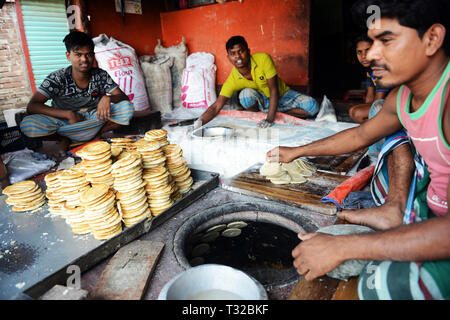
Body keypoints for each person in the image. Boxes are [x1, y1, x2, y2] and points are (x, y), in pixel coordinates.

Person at [267, 0, 450, 300]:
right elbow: (360, 136)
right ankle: (395, 212)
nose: (373, 54)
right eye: (372, 42)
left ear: (432, 38)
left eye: (386, 41)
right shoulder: (402, 98)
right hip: (428, 199)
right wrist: (295, 152)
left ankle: (399, 225)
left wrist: (345, 246)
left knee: (377, 287)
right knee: (325, 245)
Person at [20, 31, 134, 157]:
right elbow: (32, 106)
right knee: (28, 125)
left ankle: (95, 134)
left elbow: (123, 97)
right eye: (78, 54)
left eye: (88, 54)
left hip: (94, 119)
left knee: (127, 108)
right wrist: (68, 114)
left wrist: (108, 98)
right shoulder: (57, 78)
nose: (84, 59)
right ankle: (64, 138)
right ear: (68, 56)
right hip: (65, 123)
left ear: (93, 55)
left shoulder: (101, 75)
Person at [195, 36, 319, 129]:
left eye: (241, 51)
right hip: (262, 101)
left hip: (281, 95)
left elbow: (274, 90)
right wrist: (198, 124)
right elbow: (216, 106)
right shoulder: (233, 78)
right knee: (245, 95)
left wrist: (270, 119)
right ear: (228, 57)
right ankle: (268, 111)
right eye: (233, 54)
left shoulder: (263, 59)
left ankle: (274, 111)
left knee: (313, 107)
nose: (238, 56)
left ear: (248, 51)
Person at [348, 35, 391, 123]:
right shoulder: (370, 70)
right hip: (381, 105)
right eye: (359, 52)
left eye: (367, 50)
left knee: (357, 113)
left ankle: (378, 131)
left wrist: (363, 110)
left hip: (392, 106)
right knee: (352, 111)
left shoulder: (381, 68)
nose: (363, 56)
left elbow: (378, 102)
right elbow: (370, 98)